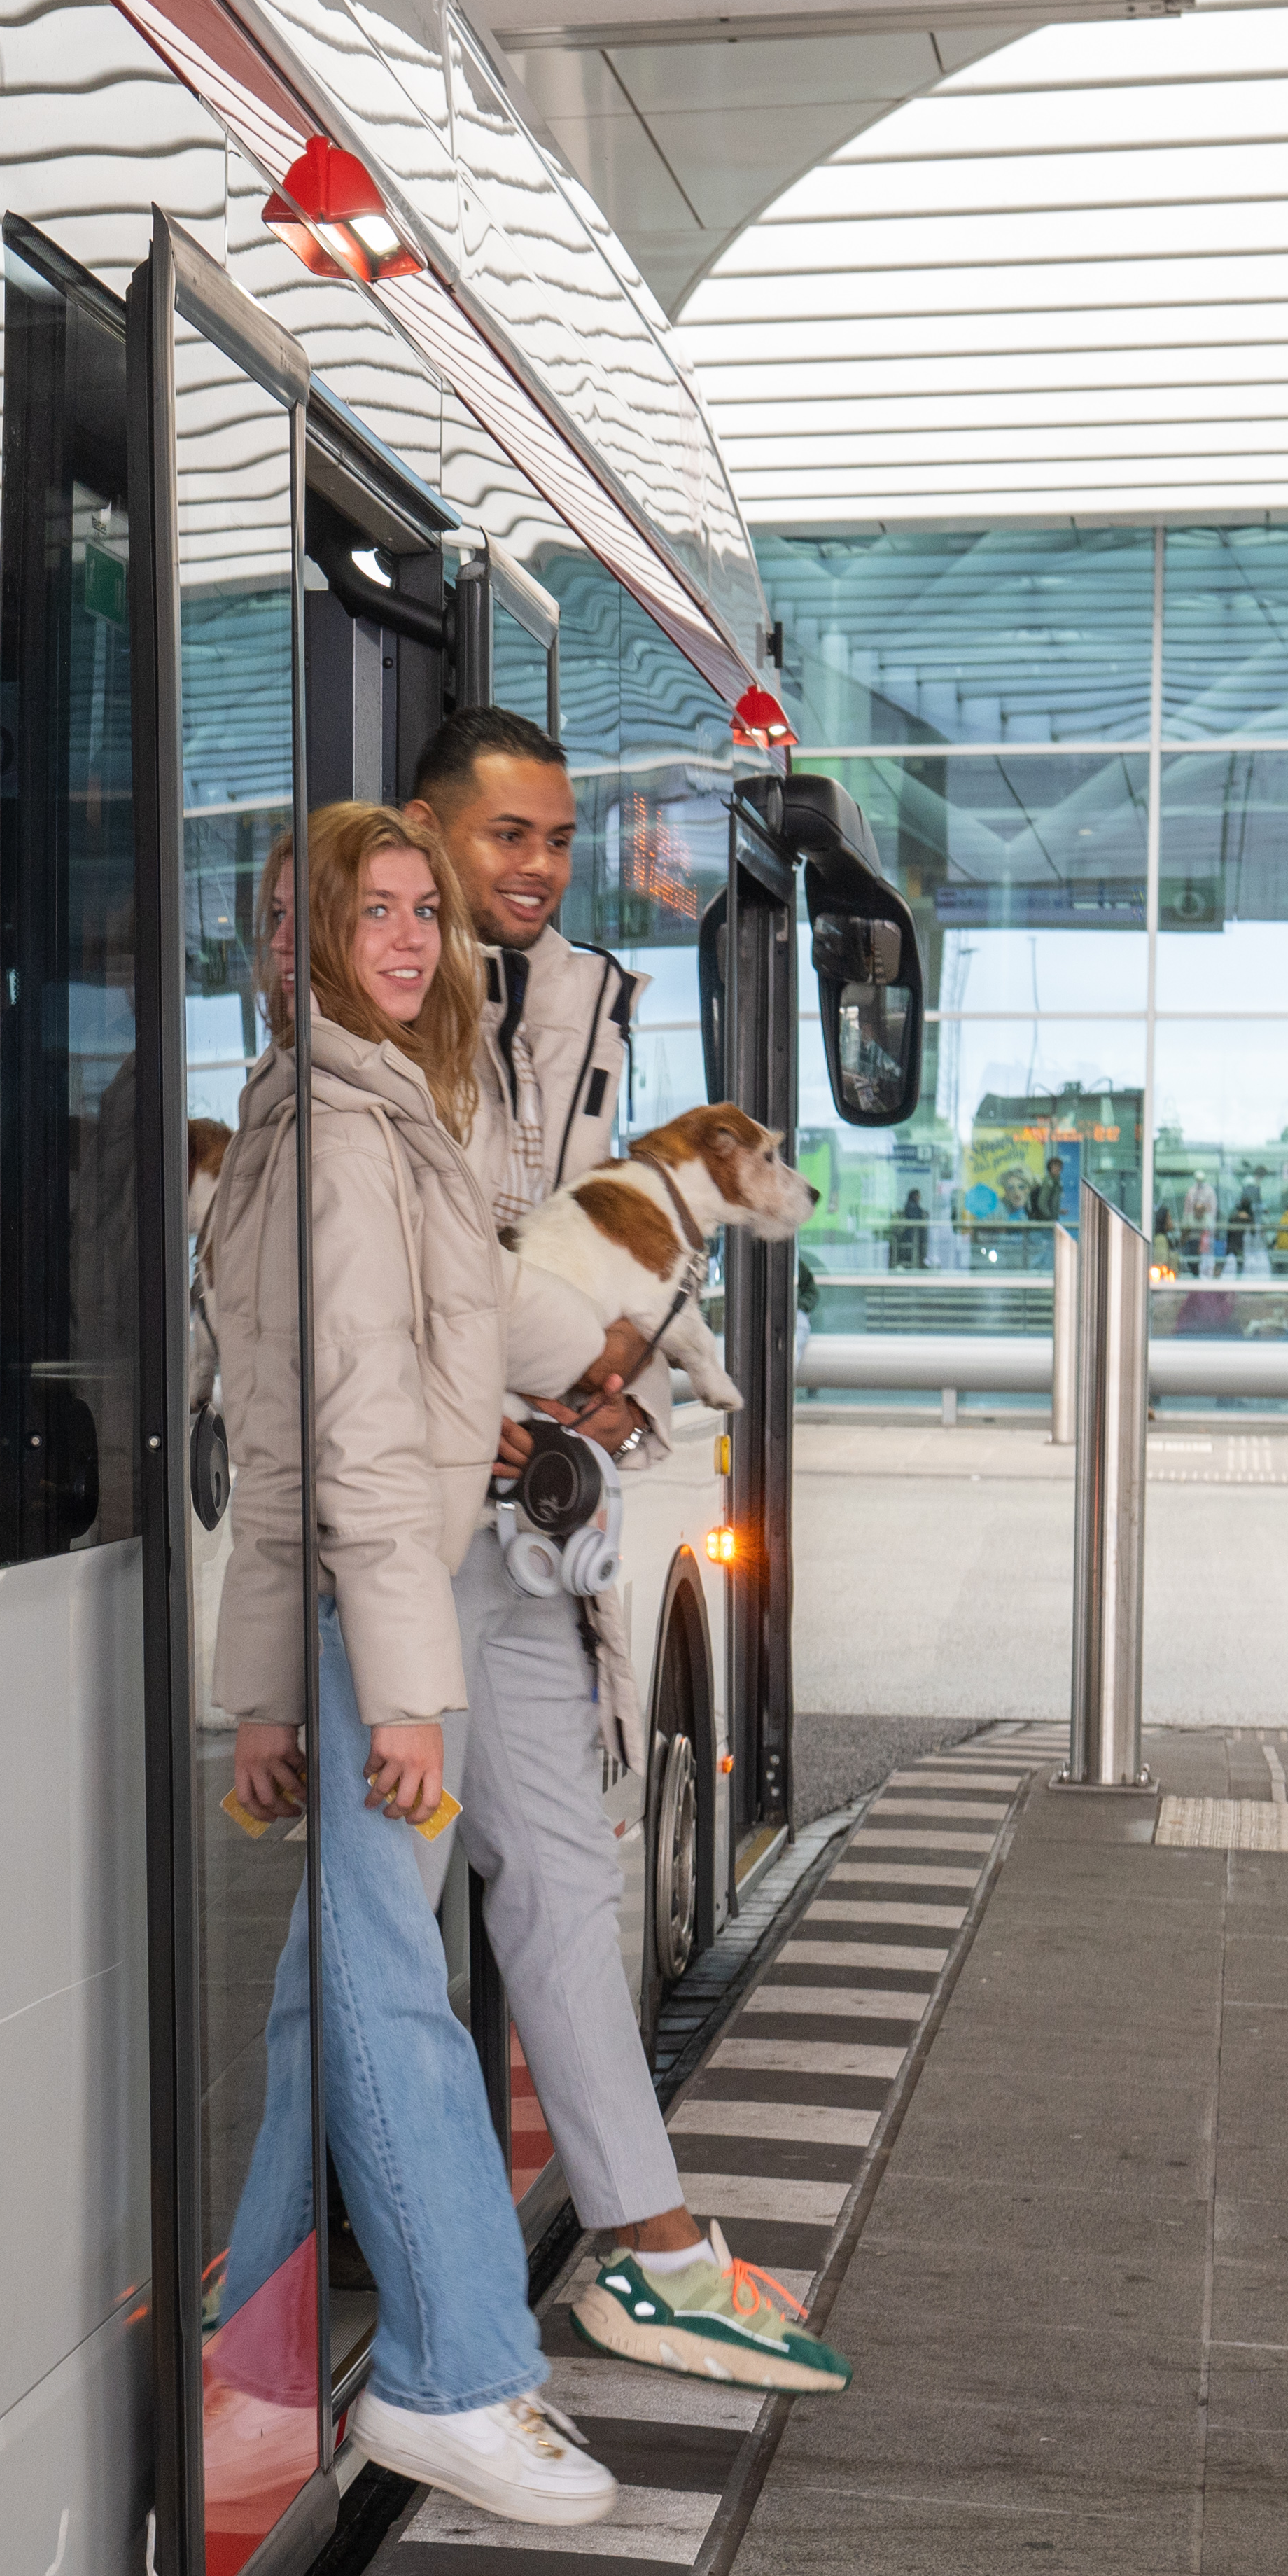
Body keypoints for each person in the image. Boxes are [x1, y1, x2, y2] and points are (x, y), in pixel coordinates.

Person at [404, 707, 848, 2395]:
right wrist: (525, 1392)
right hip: (409, 1525)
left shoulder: (586, 1000)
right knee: (360, 1953)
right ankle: (413, 2328)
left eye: (556, 838)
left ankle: (646, 2244)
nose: (534, 865)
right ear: (427, 833)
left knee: (568, 1885)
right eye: (502, 833)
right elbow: (409, 1270)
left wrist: (605, 1391)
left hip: (522, 1527)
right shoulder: (380, 1010)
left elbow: (574, 1244)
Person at [201, 798, 617, 2521]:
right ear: (294, 935)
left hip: (359, 1611)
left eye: (418, 912)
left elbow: (313, 1425)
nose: (405, 938)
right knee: (392, 1990)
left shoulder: (376, 1110)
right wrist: (407, 1696)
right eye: (363, 910)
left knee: (330, 1991)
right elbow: (357, 1444)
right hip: (394, 1606)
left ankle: (252, 2364)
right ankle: (456, 2371)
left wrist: (271, 1694)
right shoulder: (349, 1139)